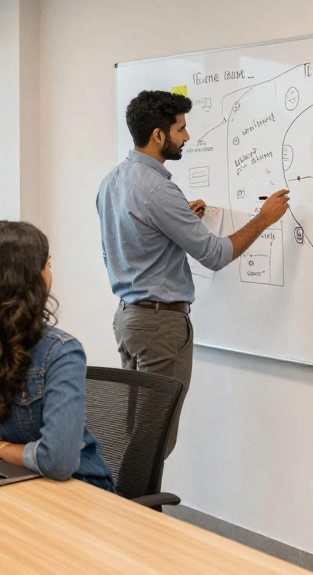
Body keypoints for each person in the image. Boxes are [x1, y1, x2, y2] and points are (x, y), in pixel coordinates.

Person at [96, 90, 290, 455]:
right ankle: (133, 512)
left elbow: (122, 244)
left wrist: (179, 218)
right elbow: (215, 255)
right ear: (158, 135)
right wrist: (262, 220)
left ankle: (124, 506)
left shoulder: (113, 181)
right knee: (153, 439)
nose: (186, 137)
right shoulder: (158, 189)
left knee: (135, 432)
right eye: (181, 128)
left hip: (128, 319)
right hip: (159, 326)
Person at [0, 221, 114, 490]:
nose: (50, 273)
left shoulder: (61, 352)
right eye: (46, 264)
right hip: (8, 478)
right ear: (30, 280)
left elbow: (58, 462)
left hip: (79, 488)